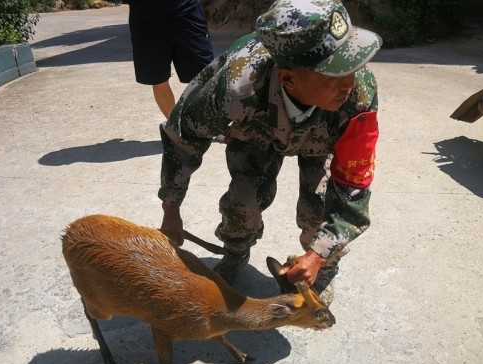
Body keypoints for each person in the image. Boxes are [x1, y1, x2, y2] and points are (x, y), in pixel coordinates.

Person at [159, 0, 382, 305]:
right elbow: (183, 136)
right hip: (258, 134)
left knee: (318, 208)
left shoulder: (358, 96)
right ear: (289, 78)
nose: (350, 82)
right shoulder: (237, 85)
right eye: (334, 73)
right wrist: (171, 209)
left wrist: (318, 255)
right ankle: (235, 254)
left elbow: (354, 187)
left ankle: (323, 269)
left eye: (352, 64)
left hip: (321, 138)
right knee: (243, 205)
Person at [126, 0, 214, 119]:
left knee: (205, 74)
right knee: (158, 79)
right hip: (145, 17)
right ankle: (177, 128)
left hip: (186, 11)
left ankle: (210, 124)